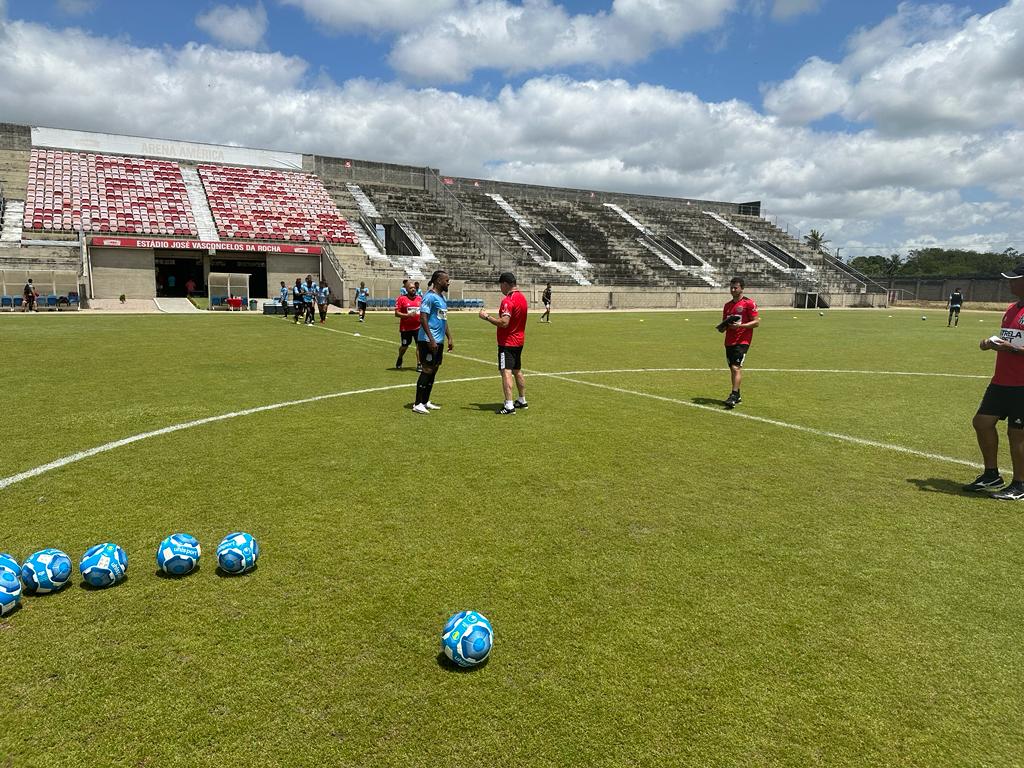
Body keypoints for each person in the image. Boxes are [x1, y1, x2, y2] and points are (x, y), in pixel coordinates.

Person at [963, 265, 1024, 500]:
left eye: (1014, 280)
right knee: (982, 422)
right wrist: (990, 343)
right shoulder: (1011, 309)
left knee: (1017, 434)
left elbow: (1014, 346)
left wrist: (1012, 349)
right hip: (1001, 380)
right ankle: (991, 475)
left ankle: (1019, 485)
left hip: (1021, 385)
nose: (1010, 283)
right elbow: (1009, 339)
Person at [479, 272, 528, 414]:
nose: (500, 288)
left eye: (500, 285)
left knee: (506, 371)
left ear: (505, 284)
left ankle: (509, 405)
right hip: (519, 340)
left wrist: (487, 317)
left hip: (507, 342)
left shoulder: (508, 300)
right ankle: (522, 400)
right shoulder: (522, 298)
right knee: (517, 370)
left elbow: (504, 322)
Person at [413, 270, 453, 415]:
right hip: (427, 340)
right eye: (446, 280)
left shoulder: (442, 298)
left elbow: (443, 319)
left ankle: (425, 401)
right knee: (427, 370)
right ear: (438, 281)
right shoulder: (429, 297)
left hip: (438, 340)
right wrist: (431, 339)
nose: (448, 283)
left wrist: (449, 337)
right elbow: (423, 318)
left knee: (434, 369)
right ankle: (417, 403)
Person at [717, 276, 760, 409]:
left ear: (742, 288)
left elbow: (756, 322)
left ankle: (734, 395)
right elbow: (724, 325)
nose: (733, 290)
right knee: (732, 368)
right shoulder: (727, 305)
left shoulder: (749, 303)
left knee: (736, 367)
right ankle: (738, 394)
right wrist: (722, 327)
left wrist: (740, 326)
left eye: (735, 288)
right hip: (729, 341)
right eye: (731, 287)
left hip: (742, 341)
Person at [394, 279, 422, 371]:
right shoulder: (401, 299)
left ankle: (419, 364)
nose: (413, 289)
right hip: (406, 328)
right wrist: (408, 315)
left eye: (414, 288)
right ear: (406, 289)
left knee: (419, 345)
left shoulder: (420, 299)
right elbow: (396, 313)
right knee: (404, 346)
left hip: (418, 327)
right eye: (411, 288)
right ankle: (400, 357)